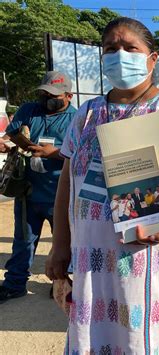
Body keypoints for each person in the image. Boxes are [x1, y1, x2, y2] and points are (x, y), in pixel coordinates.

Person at [45, 17, 159, 354]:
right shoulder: (88, 114)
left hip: (153, 251)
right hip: (94, 261)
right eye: (111, 48)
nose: (119, 54)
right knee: (98, 335)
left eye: (130, 48)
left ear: (152, 59)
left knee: (150, 335)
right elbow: (68, 182)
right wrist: (59, 245)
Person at [0, 71, 76, 303]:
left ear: (69, 96)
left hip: (59, 195)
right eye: (43, 94)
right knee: (23, 241)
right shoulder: (29, 110)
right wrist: (10, 144)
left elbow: (84, 154)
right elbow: (14, 133)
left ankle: (61, 284)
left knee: (64, 243)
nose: (46, 100)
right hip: (29, 191)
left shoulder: (78, 118)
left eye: (52, 95)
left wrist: (53, 152)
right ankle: (15, 284)